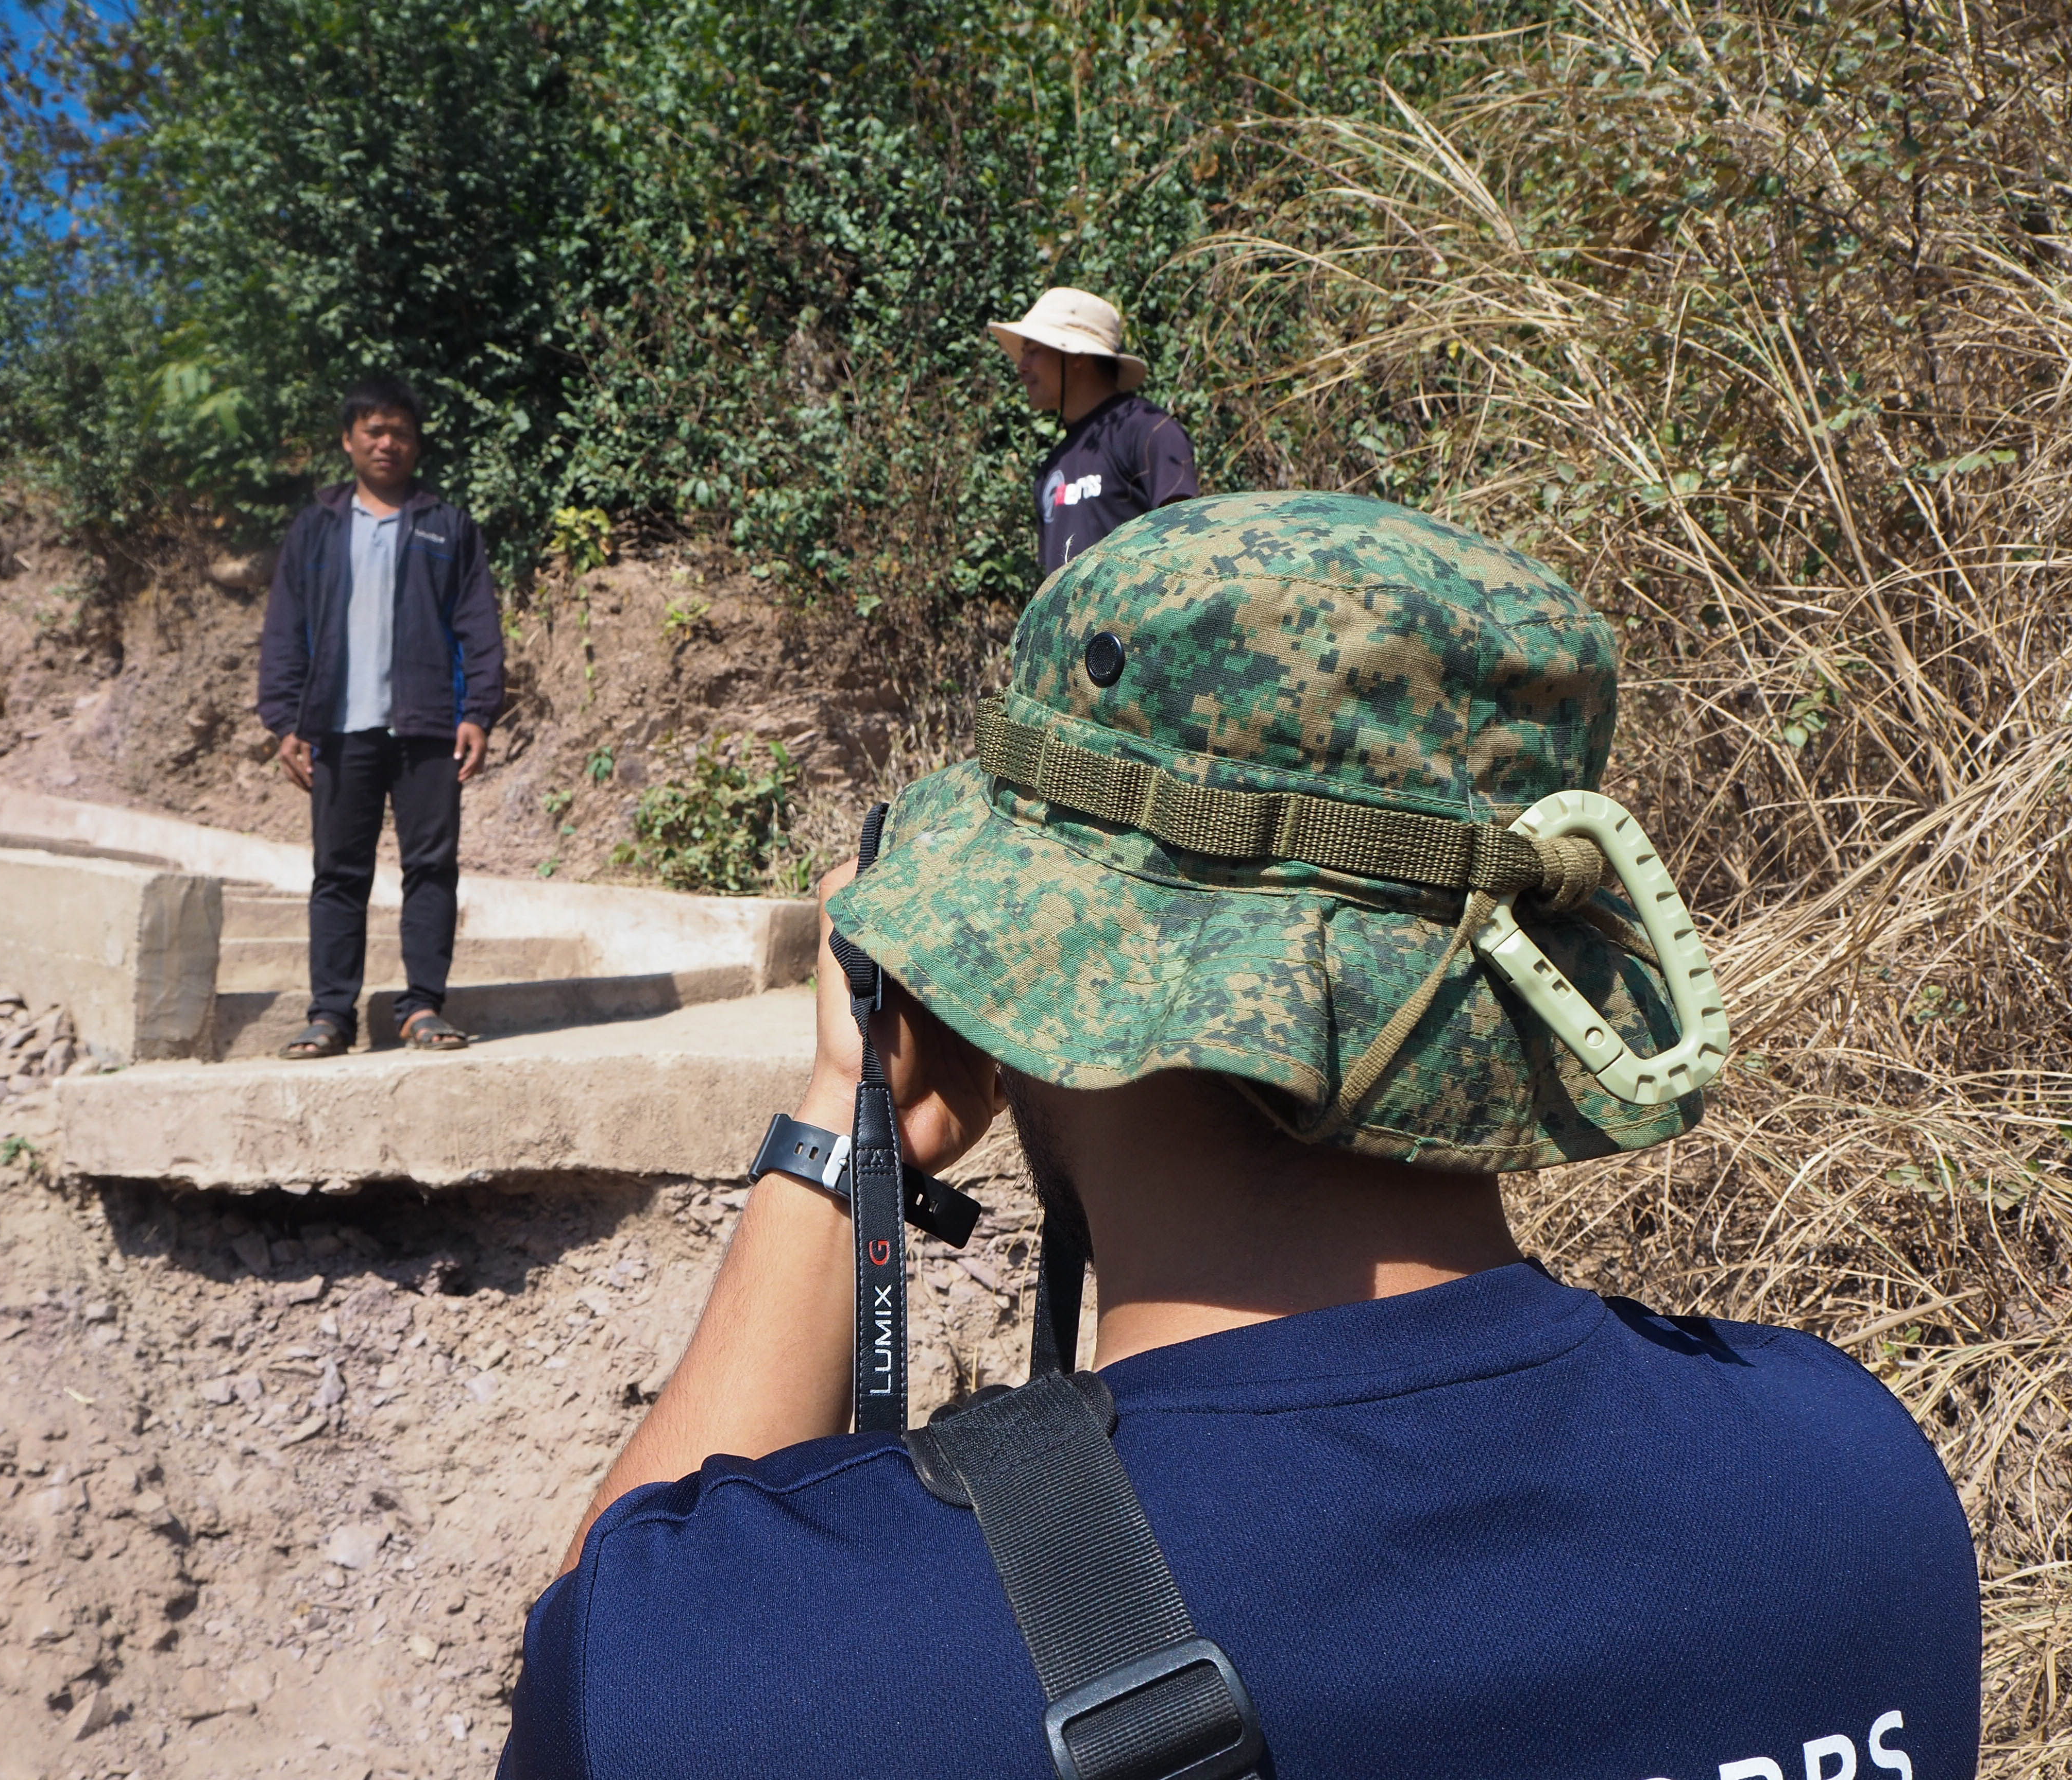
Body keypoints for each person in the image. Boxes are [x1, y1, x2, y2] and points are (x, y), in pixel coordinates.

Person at [498, 492, 1979, 1780]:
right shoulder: (1852, 1490)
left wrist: (844, 1122)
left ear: (1026, 983)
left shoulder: (764, 1670)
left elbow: (590, 1664)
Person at [256, 375, 505, 1058]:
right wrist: (285, 720)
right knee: (339, 873)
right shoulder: (318, 526)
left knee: (431, 869)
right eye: (374, 430)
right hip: (337, 726)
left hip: (427, 728)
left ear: (415, 444)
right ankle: (330, 1013)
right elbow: (287, 625)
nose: (387, 442)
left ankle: (423, 1006)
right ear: (349, 440)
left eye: (399, 431)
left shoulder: (447, 525)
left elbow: (477, 624)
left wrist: (478, 711)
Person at [990, 285, 1200, 574]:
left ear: (1077, 356)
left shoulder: (1147, 430)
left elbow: (1187, 547)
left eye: (1034, 351)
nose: (1021, 367)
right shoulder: (1050, 469)